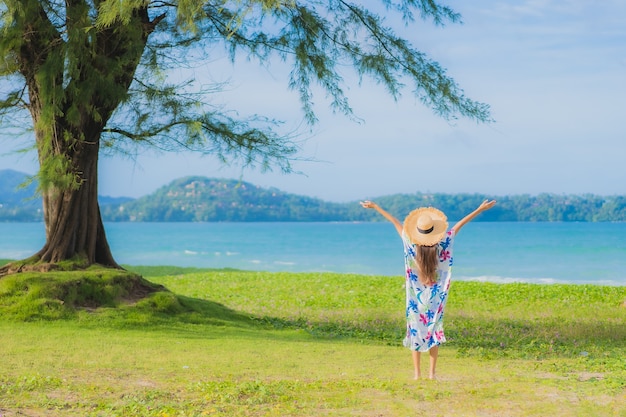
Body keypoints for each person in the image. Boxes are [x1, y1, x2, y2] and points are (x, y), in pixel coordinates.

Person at [360, 199, 496, 380]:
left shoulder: (410, 245)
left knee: (415, 331)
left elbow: (395, 222)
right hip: (436, 298)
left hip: (415, 299)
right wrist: (480, 209)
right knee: (433, 331)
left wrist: (376, 207)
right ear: (434, 232)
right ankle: (432, 374)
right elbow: (459, 226)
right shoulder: (443, 244)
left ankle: (417, 374)